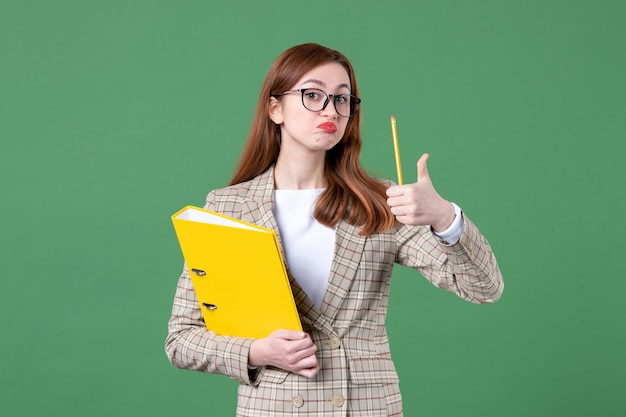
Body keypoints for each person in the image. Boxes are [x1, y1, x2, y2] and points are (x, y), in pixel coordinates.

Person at [165, 43, 503, 416]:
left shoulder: (379, 202)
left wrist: (444, 216)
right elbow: (181, 339)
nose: (330, 109)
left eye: (342, 100)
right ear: (275, 108)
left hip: (367, 407)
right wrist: (256, 351)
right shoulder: (228, 207)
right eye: (313, 95)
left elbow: (484, 288)